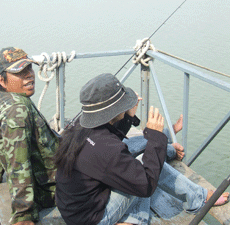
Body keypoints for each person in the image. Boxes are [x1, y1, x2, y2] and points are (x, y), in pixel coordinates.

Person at [54, 73, 229, 225]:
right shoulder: (106, 149)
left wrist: (129, 117)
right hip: (93, 219)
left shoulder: (81, 127)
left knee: (139, 150)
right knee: (145, 165)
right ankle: (138, 219)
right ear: (112, 110)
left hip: (73, 210)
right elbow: (146, 185)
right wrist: (155, 136)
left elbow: (113, 143)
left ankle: (171, 151)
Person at [0, 47, 59, 225]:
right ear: (1, 79)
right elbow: (18, 164)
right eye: (20, 72)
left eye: (29, 69)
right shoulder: (17, 110)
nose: (29, 75)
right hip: (53, 190)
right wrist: (24, 215)